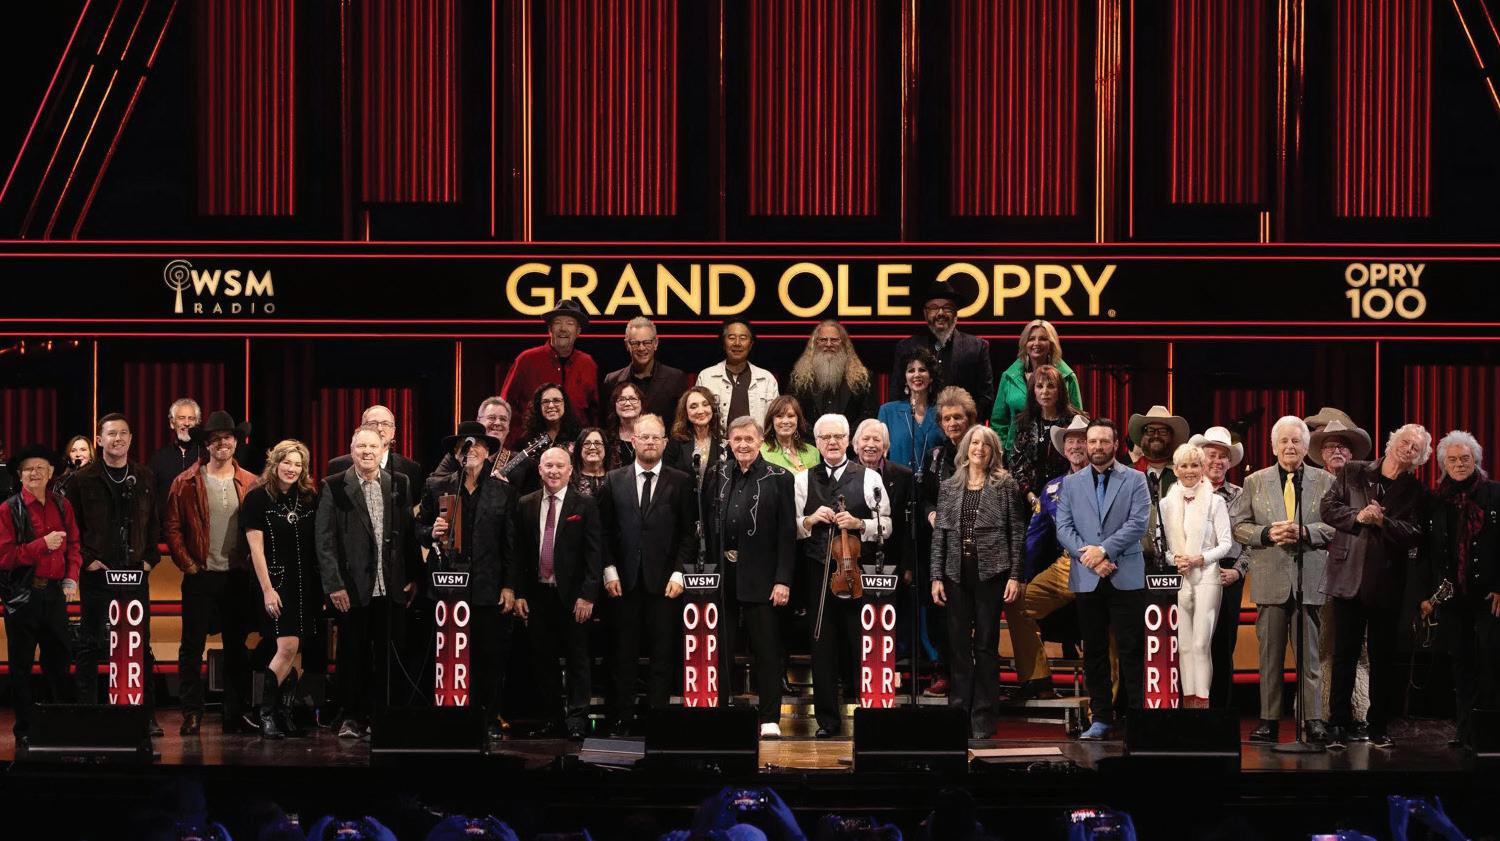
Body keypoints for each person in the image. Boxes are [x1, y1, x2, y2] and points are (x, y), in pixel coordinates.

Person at [1319, 423, 1431, 749]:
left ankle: (1378, 725)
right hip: (1348, 576)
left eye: (1415, 448)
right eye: (1404, 442)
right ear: (1391, 442)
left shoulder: (1417, 491)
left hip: (1387, 582)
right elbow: (1327, 508)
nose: (1408, 449)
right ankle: (1337, 724)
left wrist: (1384, 521)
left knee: (1383, 658)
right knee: (1344, 655)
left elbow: (1415, 533)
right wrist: (1359, 516)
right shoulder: (1354, 471)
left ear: (1420, 458)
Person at [1230, 415, 1335, 745]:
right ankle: (1269, 720)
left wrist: (1307, 531)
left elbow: (1336, 526)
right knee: (1270, 657)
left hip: (1310, 578)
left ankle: (1312, 719)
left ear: (1306, 446)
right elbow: (1238, 526)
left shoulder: (1325, 481)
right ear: (1273, 446)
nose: (1290, 446)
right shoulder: (1255, 481)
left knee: (1310, 657)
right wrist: (1266, 533)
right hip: (1270, 578)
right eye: (1284, 441)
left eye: (1296, 441)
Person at [315, 423, 422, 740]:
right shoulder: (334, 486)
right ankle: (351, 716)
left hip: (391, 586)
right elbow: (324, 542)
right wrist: (334, 585)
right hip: (352, 588)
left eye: (373, 447)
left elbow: (408, 534)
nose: (367, 452)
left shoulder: (398, 483)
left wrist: (413, 576)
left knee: (389, 657)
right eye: (361, 446)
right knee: (352, 656)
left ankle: (383, 716)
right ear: (351, 450)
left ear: (383, 450)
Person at [416, 421, 517, 741]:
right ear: (456, 453)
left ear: (487, 452)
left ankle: (489, 717)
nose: (469, 451)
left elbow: (511, 544)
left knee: (489, 656)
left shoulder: (503, 490)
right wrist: (430, 532)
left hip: (488, 587)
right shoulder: (437, 485)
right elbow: (417, 529)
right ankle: (451, 717)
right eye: (463, 446)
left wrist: (509, 586)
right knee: (449, 654)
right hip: (448, 587)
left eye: (476, 445)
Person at [595, 414, 694, 734]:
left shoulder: (681, 481)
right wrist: (609, 570)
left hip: (665, 583)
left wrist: (679, 574)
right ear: (633, 441)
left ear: (665, 442)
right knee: (621, 654)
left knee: (663, 655)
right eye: (644, 437)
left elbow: (688, 535)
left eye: (656, 437)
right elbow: (603, 532)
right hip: (622, 582)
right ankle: (621, 719)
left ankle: (657, 720)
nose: (650, 442)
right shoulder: (614, 480)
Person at [794, 414, 892, 738]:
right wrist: (809, 520)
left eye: (838, 436)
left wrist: (860, 524)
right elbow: (792, 525)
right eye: (825, 437)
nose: (832, 442)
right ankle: (827, 721)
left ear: (848, 440)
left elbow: (887, 524)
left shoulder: (868, 477)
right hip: (816, 570)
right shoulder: (802, 479)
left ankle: (868, 716)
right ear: (817, 442)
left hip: (854, 573)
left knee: (859, 643)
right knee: (821, 645)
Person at [162, 411, 258, 736]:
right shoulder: (186, 481)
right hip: (200, 575)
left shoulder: (251, 482)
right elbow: (172, 527)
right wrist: (189, 564)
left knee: (236, 647)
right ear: (207, 444)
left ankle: (235, 713)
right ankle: (192, 712)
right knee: (192, 647)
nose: (222, 444)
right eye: (215, 440)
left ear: (236, 442)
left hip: (236, 575)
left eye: (227, 439)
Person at [66, 413, 162, 733]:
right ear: (99, 440)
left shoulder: (144, 476)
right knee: (90, 643)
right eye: (111, 434)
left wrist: (148, 560)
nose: (117, 439)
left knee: (139, 644)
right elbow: (71, 526)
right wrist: (87, 560)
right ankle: (88, 714)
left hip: (135, 572)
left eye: (123, 433)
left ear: (131, 439)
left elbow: (154, 523)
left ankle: (144, 715)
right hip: (97, 573)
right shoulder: (82, 480)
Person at [1055, 418, 1151, 741]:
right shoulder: (1071, 483)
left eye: (1103, 441)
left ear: (1115, 445)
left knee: (1131, 650)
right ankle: (1101, 718)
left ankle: (1137, 719)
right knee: (1094, 651)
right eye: (1092, 441)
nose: (1097, 446)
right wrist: (1091, 558)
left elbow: (1138, 523)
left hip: (1126, 575)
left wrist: (1104, 551)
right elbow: (1063, 528)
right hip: (1088, 577)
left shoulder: (1136, 479)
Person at [929, 425, 1027, 740]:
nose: (979, 449)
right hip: (956, 573)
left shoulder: (1005, 484)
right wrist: (936, 576)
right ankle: (959, 713)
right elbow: (940, 536)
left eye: (985, 444)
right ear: (966, 448)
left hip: (992, 573)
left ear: (993, 451)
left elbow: (1016, 532)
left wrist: (1015, 575)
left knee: (985, 645)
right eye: (974, 443)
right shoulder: (949, 485)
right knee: (958, 646)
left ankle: (983, 717)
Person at [703, 416, 796, 738]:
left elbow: (787, 534)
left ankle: (769, 718)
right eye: (737, 439)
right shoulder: (716, 474)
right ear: (728, 442)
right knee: (722, 648)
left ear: (760, 441)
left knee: (767, 651)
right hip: (724, 576)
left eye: (749, 439)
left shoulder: (779, 477)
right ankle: (721, 711)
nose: (742, 445)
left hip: (763, 577)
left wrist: (783, 580)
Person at [510, 447, 603, 740]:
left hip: (574, 597)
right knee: (543, 661)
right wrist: (520, 593)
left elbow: (594, 554)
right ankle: (552, 719)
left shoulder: (584, 504)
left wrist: (588, 595)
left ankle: (576, 721)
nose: (553, 471)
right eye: (548, 465)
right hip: (538, 595)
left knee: (578, 660)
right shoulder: (525, 503)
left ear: (570, 470)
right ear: (540, 470)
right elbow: (518, 554)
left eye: (560, 466)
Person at [1423, 430, 1500, 751]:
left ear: (1476, 460)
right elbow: (1430, 552)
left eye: (1465, 458)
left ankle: (1491, 731)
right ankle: (1465, 729)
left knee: (1491, 660)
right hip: (1453, 597)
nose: (1459, 464)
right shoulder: (1436, 500)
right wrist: (1430, 595)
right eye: (1452, 460)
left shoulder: (1494, 493)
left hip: (1489, 596)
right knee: (1461, 664)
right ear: (1443, 464)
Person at [0, 444, 80, 746]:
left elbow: (74, 544)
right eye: (28, 469)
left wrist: (71, 577)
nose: (34, 473)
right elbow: (5, 557)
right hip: (22, 597)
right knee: (20, 667)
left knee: (60, 663)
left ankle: (60, 728)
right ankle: (24, 731)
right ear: (20, 475)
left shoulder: (62, 505)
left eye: (40, 468)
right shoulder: (8, 509)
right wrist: (42, 545)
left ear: (51, 473)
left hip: (55, 596)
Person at [1007, 415, 1090, 702]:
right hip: (1067, 565)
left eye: (1082, 439)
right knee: (1018, 602)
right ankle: (1037, 679)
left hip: (1104, 565)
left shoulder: (1109, 479)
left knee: (1109, 622)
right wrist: (1021, 577)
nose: (1076, 445)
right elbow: (1034, 536)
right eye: (1070, 440)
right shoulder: (1053, 488)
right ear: (1063, 448)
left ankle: (1110, 702)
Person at [243, 439, 321, 739]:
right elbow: (256, 549)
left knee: (295, 651)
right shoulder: (257, 498)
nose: (292, 469)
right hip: (275, 582)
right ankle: (265, 714)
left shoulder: (309, 497)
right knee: (286, 647)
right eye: (287, 462)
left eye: (298, 464)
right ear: (274, 464)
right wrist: (267, 589)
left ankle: (284, 714)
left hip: (306, 583)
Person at [1161, 443, 1233, 709]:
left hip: (1208, 577)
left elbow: (1226, 544)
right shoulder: (1166, 503)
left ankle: (1203, 703)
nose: (1190, 470)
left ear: (1203, 468)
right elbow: (1165, 549)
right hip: (1181, 577)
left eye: (1195, 465)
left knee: (1201, 643)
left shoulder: (1216, 501)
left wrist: (1199, 559)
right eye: (1184, 465)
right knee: (1184, 645)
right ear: (1175, 469)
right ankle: (1188, 701)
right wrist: (1176, 560)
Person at [918, 386, 980, 697]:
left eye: (958, 417)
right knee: (940, 610)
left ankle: (975, 677)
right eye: (946, 418)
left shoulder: (983, 449)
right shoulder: (936, 455)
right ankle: (944, 670)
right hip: (943, 544)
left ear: (969, 419)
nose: (953, 423)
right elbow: (925, 496)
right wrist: (930, 512)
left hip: (978, 544)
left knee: (974, 614)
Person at [1191, 426, 1249, 709]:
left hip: (1228, 575)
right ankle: (1192, 712)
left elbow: (1252, 541)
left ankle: (1221, 714)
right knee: (1193, 645)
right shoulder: (1185, 492)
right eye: (1211, 455)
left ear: (1229, 461)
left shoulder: (1242, 495)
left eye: (1222, 456)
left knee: (1223, 648)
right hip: (1192, 575)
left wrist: (1239, 571)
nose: (1216, 461)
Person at [500, 298, 601, 444]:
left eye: (570, 323)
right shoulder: (526, 360)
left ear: (578, 331)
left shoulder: (588, 364)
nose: (563, 328)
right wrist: (518, 441)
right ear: (550, 329)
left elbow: (595, 414)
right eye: (558, 323)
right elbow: (505, 405)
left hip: (576, 447)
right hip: (530, 446)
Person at [891, 279, 995, 417]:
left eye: (947, 308)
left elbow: (986, 398)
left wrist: (965, 422)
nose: (940, 313)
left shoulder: (977, 347)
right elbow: (897, 395)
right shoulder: (906, 347)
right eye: (934, 307)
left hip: (963, 427)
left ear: (955, 313)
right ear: (925, 313)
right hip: (917, 426)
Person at [990, 320, 1082, 450]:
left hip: (1056, 452)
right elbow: (998, 423)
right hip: (1016, 453)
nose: (1036, 343)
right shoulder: (1009, 376)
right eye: (1031, 339)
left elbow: (1077, 422)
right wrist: (1003, 452)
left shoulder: (1067, 377)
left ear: (1051, 344)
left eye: (1043, 339)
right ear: (1024, 343)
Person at [1006, 363, 1085, 502]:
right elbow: (1015, 464)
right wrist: (1030, 496)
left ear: (1060, 391)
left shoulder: (1073, 421)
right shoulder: (1024, 422)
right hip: (1030, 499)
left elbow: (1083, 461)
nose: (1045, 391)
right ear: (1033, 391)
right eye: (1039, 386)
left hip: (1067, 496)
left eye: (1051, 386)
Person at [1128, 405, 1191, 569]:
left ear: (1172, 437)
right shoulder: (1126, 474)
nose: (1156, 435)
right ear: (1142, 437)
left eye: (1162, 431)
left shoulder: (1185, 475)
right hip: (1135, 561)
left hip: (1179, 561)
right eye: (1150, 430)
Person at [697, 318, 780, 437]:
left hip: (758, 446)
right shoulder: (706, 377)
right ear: (723, 343)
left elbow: (777, 419)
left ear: (750, 344)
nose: (737, 343)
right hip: (716, 446)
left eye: (743, 338)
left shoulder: (767, 379)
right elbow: (696, 416)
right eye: (731, 338)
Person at [601, 316, 691, 422]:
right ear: (627, 345)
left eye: (647, 342)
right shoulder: (612, 381)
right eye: (635, 343)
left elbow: (682, 422)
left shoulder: (675, 379)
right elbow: (607, 422)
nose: (641, 348)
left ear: (655, 343)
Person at [789, 320, 876, 426]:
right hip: (810, 436)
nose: (829, 344)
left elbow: (869, 415)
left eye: (834, 340)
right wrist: (815, 434)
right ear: (815, 343)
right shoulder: (799, 379)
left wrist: (846, 434)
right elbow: (793, 413)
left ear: (843, 344)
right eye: (823, 340)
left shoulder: (863, 378)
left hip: (851, 436)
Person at [324, 404, 425, 493]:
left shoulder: (411, 469)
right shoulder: (338, 466)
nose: (380, 428)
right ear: (362, 429)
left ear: (393, 432)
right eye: (373, 424)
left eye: (385, 424)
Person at [878, 348, 944, 475]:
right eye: (911, 370)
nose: (917, 375)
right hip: (898, 482)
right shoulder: (888, 412)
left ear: (931, 377)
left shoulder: (942, 412)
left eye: (922, 370)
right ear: (905, 378)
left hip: (933, 482)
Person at [428, 396, 516, 482]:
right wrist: (464, 480)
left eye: (503, 419)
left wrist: (505, 489)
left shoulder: (518, 462)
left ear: (508, 426)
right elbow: (433, 483)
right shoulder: (461, 452)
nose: (498, 423)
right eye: (492, 418)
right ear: (478, 421)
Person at [148, 398, 203, 502]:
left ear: (196, 423)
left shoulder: (206, 456)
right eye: (181, 418)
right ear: (172, 423)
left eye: (191, 418)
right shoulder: (158, 458)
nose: (186, 423)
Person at [668, 385, 724, 485]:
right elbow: (667, 477)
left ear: (713, 408)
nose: (701, 411)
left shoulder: (722, 442)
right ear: (685, 412)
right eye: (693, 407)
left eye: (705, 404)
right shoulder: (676, 442)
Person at [760, 394, 818, 473]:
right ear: (771, 420)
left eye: (790, 416)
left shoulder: (813, 452)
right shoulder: (761, 452)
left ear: (798, 419)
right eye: (779, 416)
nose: (785, 421)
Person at [604, 381, 646, 467]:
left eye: (633, 399)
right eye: (621, 400)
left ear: (641, 404)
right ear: (614, 405)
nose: (627, 403)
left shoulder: (653, 436)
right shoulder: (607, 438)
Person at [570, 428, 614, 497]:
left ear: (605, 448)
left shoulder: (616, 478)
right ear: (579, 449)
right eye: (587, 443)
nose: (592, 447)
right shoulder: (569, 479)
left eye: (597, 443)